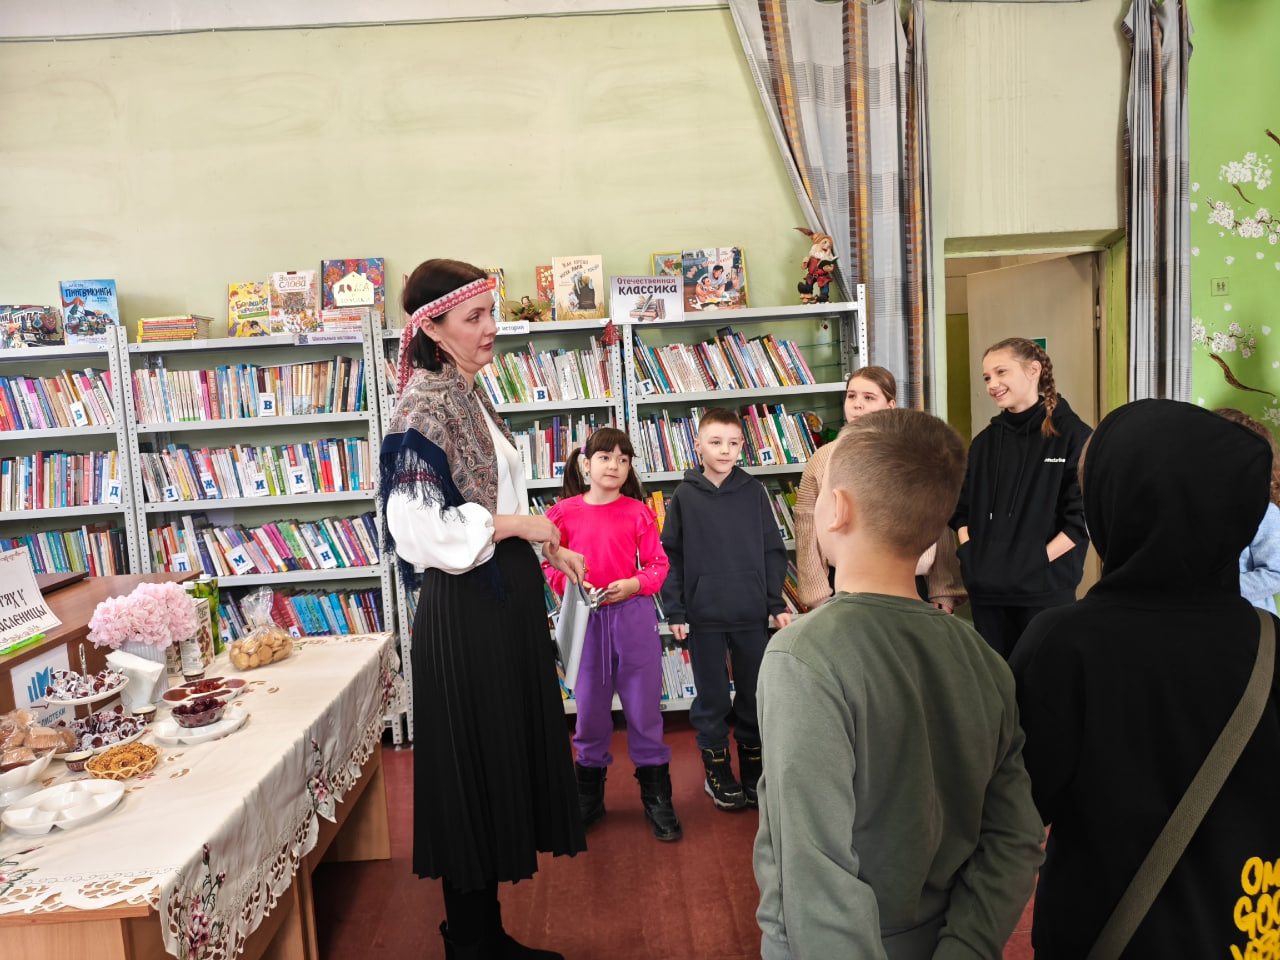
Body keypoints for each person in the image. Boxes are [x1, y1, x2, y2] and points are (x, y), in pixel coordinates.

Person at [754, 409, 1044, 959]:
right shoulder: (983, 659)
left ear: (838, 509)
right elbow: (1014, 837)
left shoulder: (801, 656)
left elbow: (814, 872)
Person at [1009, 400, 1280, 959]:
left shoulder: (1065, 643)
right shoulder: (1272, 642)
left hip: (1107, 930)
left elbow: (1015, 807)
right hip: (1248, 931)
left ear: (1119, 505)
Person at [380, 258, 586, 960]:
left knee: (494, 766)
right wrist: (521, 526)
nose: (491, 327)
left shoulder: (470, 393)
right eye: (475, 317)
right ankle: (470, 942)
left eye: (491, 312)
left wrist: (547, 541)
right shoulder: (424, 408)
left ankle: (484, 935)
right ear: (433, 329)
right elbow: (420, 531)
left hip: (499, 602)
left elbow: (490, 496)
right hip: (469, 613)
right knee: (471, 771)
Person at [541, 427, 681, 842]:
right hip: (586, 621)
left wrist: (635, 584)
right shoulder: (561, 514)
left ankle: (657, 796)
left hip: (633, 618)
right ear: (586, 464)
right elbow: (550, 563)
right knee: (590, 711)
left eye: (623, 459)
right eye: (605, 457)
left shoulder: (638, 512)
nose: (614, 466)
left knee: (644, 710)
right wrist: (573, 585)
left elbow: (657, 565)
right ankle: (588, 796)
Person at [660, 407, 790, 811]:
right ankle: (716, 768)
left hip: (751, 614)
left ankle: (752, 765)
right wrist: (676, 611)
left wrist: (775, 602)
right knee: (713, 698)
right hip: (703, 618)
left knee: (752, 693)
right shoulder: (684, 497)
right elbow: (671, 557)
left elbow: (772, 551)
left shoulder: (754, 492)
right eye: (715, 442)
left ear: (742, 446)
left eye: (733, 443)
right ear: (697, 445)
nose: (725, 450)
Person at [951, 337, 1092, 659]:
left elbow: (1082, 517)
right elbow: (962, 509)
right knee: (996, 683)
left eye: (1001, 372)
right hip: (987, 593)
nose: (992, 384)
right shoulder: (985, 442)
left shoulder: (1074, 436)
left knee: (1045, 681)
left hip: (1045, 593)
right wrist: (972, 553)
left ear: (1033, 370)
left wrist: (1037, 560)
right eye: (987, 377)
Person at [794, 365, 965, 613]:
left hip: (912, 584)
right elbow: (806, 526)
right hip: (843, 587)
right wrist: (817, 595)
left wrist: (944, 588)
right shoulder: (823, 459)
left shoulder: (914, 454)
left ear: (890, 405)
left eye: (869, 397)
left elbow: (937, 517)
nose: (857, 405)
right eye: (851, 396)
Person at [1217, 407, 1280, 613]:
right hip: (1199, 616)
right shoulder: (1190, 506)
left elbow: (1275, 573)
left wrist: (1217, 589)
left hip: (1247, 618)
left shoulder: (1266, 513)